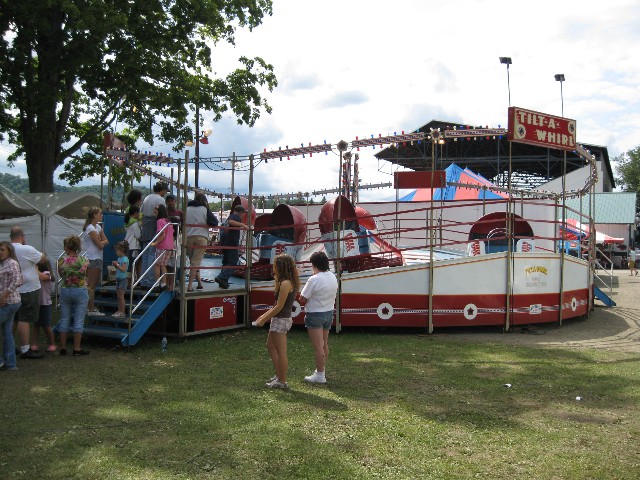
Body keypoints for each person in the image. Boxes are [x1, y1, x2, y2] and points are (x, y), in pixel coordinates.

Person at [253, 254, 299, 390]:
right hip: (279, 318)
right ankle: (279, 376)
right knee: (271, 347)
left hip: (281, 319)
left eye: (276, 266)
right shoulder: (288, 281)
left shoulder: (285, 283)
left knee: (281, 352)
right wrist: (262, 317)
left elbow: (279, 306)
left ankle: (282, 381)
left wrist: (264, 319)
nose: (274, 269)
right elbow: (276, 306)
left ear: (281, 267)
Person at [299, 251, 338, 384]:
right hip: (328, 312)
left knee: (318, 347)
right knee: (324, 344)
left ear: (314, 264)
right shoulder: (332, 276)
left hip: (315, 314)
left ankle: (320, 375)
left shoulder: (314, 279)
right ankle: (321, 370)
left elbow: (302, 298)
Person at [10, 226, 45, 359]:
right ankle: (25, 349)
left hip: (12, 289)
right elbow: (42, 259)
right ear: (22, 236)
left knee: (14, 318)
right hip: (27, 288)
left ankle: (10, 345)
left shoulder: (6, 249)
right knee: (24, 318)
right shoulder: (26, 249)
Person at [58, 236, 90, 356]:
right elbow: (87, 275)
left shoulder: (61, 261)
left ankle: (63, 347)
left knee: (64, 319)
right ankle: (77, 348)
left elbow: (61, 275)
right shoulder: (84, 260)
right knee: (78, 320)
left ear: (66, 247)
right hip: (80, 290)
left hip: (66, 290)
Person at [186, 192, 218, 291]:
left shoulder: (187, 209)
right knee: (196, 263)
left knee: (193, 262)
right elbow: (214, 222)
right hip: (201, 237)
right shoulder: (205, 209)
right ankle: (190, 286)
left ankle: (199, 283)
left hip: (189, 236)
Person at [140, 182, 168, 288]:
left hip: (145, 225)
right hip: (153, 224)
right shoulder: (160, 199)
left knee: (145, 255)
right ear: (163, 190)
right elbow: (162, 213)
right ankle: (151, 281)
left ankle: (143, 280)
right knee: (152, 254)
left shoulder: (147, 197)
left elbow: (142, 211)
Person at [0, 241, 23, 371]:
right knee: (7, 332)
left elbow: (18, 280)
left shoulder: (12, 263)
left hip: (10, 302)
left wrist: (4, 295)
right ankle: (10, 363)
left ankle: (3, 360)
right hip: (5, 302)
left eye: (2, 249)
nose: (0, 252)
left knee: (6, 332)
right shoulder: (3, 264)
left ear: (9, 250)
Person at [82, 206, 109, 316]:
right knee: (91, 285)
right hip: (92, 258)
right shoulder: (90, 229)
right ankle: (91, 309)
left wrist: (101, 241)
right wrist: (101, 241)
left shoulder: (97, 227)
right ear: (94, 215)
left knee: (93, 284)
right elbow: (101, 245)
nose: (101, 215)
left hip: (97, 257)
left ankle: (90, 307)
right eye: (100, 213)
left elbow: (106, 240)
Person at [215, 204, 248, 289]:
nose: (243, 215)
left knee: (226, 261)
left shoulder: (229, 217)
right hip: (231, 243)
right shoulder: (235, 216)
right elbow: (231, 222)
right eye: (243, 213)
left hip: (225, 243)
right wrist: (243, 225)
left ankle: (223, 282)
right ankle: (222, 277)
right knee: (233, 261)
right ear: (240, 212)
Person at [31, 257, 57, 352]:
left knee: (46, 325)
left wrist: (34, 268)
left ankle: (52, 344)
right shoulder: (35, 275)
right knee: (36, 324)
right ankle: (33, 344)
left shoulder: (47, 274)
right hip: (37, 303)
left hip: (46, 304)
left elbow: (42, 277)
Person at [151, 204, 174, 291]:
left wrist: (155, 243)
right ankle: (164, 283)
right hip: (169, 246)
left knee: (157, 265)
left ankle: (157, 284)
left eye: (155, 212)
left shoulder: (160, 221)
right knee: (163, 265)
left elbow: (162, 234)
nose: (154, 214)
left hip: (161, 246)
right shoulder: (169, 221)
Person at [164, 193, 183, 282]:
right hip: (166, 239)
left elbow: (183, 226)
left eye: (172, 201)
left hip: (177, 239)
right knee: (166, 263)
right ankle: (167, 282)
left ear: (175, 202)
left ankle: (173, 282)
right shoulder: (164, 213)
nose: (170, 203)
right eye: (168, 201)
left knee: (175, 262)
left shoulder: (180, 213)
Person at [111, 241, 130, 318]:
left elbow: (123, 269)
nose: (116, 252)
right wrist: (116, 265)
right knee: (118, 296)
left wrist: (117, 265)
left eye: (117, 251)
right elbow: (119, 268)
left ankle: (122, 312)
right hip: (118, 278)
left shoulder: (125, 259)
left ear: (122, 250)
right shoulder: (119, 258)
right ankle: (119, 311)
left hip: (122, 279)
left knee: (121, 297)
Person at [124, 205, 142, 281]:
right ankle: (132, 282)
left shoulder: (127, 222)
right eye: (139, 213)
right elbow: (138, 235)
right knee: (134, 264)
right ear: (136, 213)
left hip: (128, 245)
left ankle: (129, 281)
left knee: (129, 264)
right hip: (134, 246)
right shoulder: (135, 223)